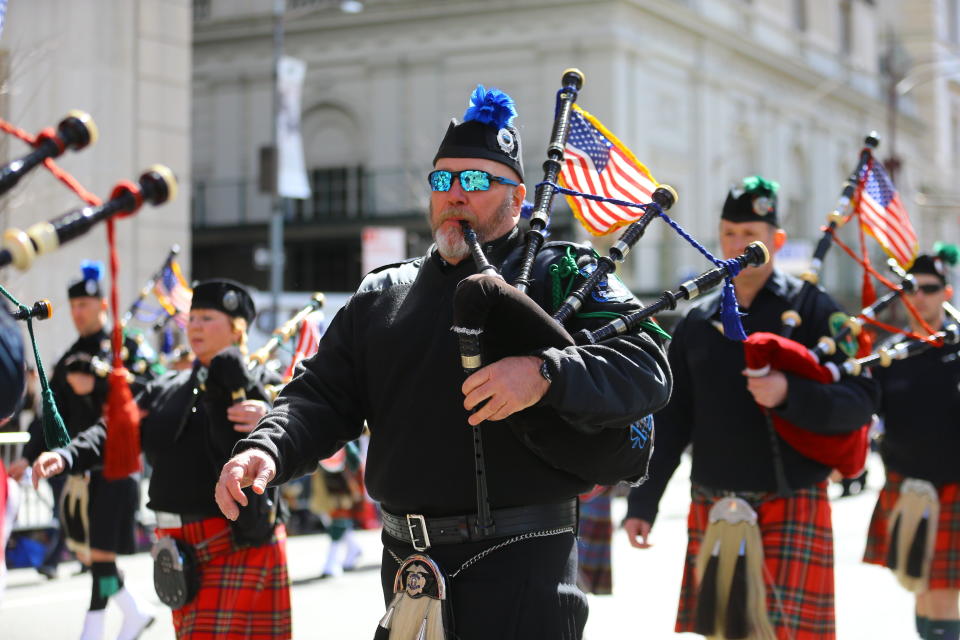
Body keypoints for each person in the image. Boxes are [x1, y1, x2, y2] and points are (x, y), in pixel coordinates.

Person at [214, 84, 671, 640]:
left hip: (525, 566)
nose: (454, 194)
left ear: (518, 196)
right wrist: (267, 445)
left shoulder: (562, 272)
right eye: (442, 179)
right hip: (407, 569)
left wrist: (545, 374)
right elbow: (321, 393)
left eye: (476, 180)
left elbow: (646, 363)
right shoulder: (385, 292)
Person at [625, 176, 879, 640]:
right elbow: (672, 420)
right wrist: (643, 501)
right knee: (725, 632)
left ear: (776, 240)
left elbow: (861, 401)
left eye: (750, 234)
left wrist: (790, 394)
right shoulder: (695, 323)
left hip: (792, 496)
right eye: (728, 233)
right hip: (714, 500)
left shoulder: (816, 311)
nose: (737, 244)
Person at [33, 279, 292, 640]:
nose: (195, 326)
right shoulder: (168, 387)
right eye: (193, 317)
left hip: (237, 541)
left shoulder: (265, 385)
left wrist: (267, 414)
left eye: (207, 317)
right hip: (178, 547)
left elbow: (294, 424)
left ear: (237, 329)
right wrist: (67, 455)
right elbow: (115, 429)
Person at [14, 261, 155, 639]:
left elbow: (149, 392)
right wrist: (28, 456)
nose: (78, 313)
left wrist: (99, 385)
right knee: (93, 556)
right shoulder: (70, 357)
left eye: (84, 306)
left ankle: (96, 629)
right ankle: (133, 611)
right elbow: (49, 412)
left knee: (101, 555)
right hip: (80, 471)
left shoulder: (128, 348)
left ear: (102, 307)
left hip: (115, 468)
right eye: (73, 306)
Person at [863, 245, 960, 640]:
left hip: (954, 484)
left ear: (946, 292)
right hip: (904, 481)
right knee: (920, 590)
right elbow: (864, 414)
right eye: (911, 288)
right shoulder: (888, 356)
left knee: (941, 595)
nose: (920, 296)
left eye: (930, 288)